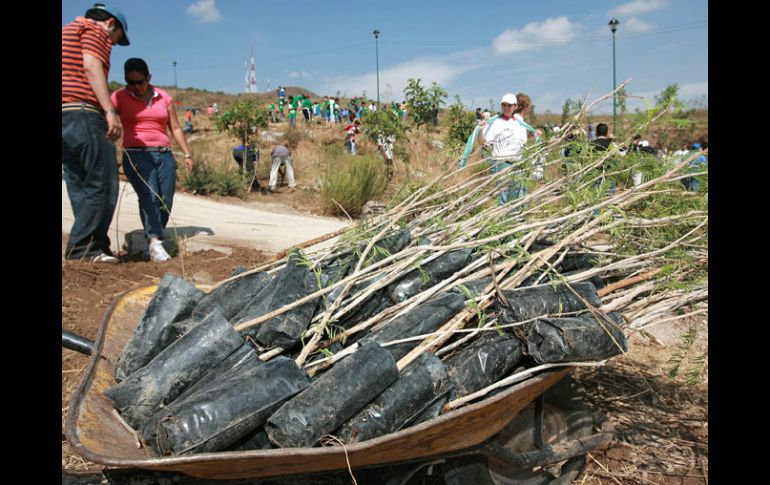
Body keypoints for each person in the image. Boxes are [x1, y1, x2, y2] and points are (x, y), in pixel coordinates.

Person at [62, 3, 130, 263]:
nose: (112, 43)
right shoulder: (94, 30)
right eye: (117, 37)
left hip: (64, 115)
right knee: (103, 182)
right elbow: (91, 66)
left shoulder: (68, 30)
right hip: (83, 113)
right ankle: (85, 249)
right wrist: (109, 111)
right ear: (111, 23)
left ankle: (92, 248)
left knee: (80, 183)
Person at [112, 58, 193, 262]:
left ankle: (155, 236)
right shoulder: (119, 97)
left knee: (165, 198)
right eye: (130, 82)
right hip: (136, 153)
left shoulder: (163, 98)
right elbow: (106, 115)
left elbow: (174, 127)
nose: (136, 87)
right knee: (150, 195)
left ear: (149, 78)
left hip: (164, 153)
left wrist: (187, 153)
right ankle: (155, 242)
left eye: (140, 82)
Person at [477, 93, 529, 204]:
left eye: (509, 105)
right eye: (504, 105)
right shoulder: (495, 122)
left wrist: (537, 135)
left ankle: (513, 219)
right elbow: (482, 142)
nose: (506, 108)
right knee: (502, 198)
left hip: (517, 164)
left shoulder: (519, 123)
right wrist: (480, 130)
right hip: (501, 163)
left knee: (515, 197)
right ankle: (503, 219)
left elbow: (524, 142)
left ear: (515, 106)